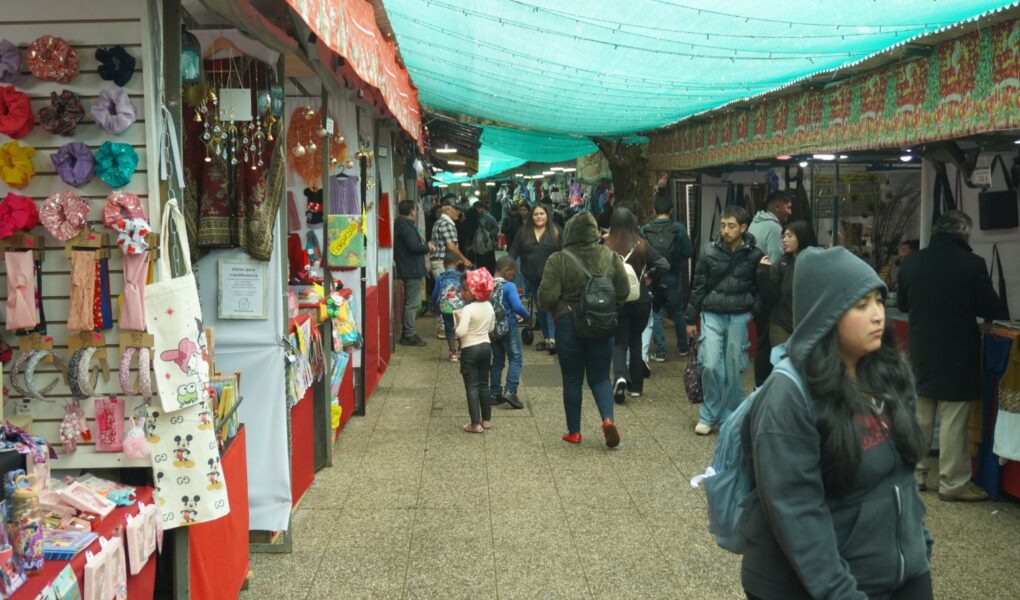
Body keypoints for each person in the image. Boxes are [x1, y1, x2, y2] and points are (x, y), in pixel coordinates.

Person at [742, 246, 932, 600]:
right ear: (825, 315)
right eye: (861, 305)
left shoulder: (890, 373)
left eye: (879, 301)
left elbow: (902, 478)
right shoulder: (789, 396)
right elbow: (798, 511)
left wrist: (918, 544)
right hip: (818, 584)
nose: (878, 315)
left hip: (901, 574)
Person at [898, 210, 1005, 502]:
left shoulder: (911, 262)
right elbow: (992, 308)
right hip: (958, 353)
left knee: (920, 416)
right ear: (963, 233)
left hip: (921, 349)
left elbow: (903, 305)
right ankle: (952, 483)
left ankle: (914, 476)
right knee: (954, 420)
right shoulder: (972, 264)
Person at [538, 212, 630, 448]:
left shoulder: (558, 259)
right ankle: (608, 419)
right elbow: (623, 291)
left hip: (569, 324)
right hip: (602, 324)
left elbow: (545, 298)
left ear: (569, 233)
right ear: (594, 232)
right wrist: (608, 310)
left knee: (572, 379)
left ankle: (575, 432)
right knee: (600, 377)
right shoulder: (609, 256)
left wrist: (560, 310)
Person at [685, 205, 763, 435]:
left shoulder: (755, 255)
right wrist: (690, 319)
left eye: (731, 226)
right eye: (722, 225)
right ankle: (708, 415)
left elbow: (760, 288)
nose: (726, 230)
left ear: (743, 228)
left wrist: (753, 310)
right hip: (711, 313)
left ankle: (731, 415)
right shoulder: (708, 251)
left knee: (734, 366)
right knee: (709, 364)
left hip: (739, 315)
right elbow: (698, 286)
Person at [606, 206, 669, 402]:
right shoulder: (642, 245)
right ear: (633, 223)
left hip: (616, 300)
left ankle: (619, 377)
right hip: (640, 299)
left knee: (619, 342)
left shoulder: (606, 245)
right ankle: (637, 387)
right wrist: (648, 276)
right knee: (635, 341)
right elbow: (664, 264)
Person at [641, 193, 694, 360]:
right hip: (673, 275)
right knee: (677, 312)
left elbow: (641, 254)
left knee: (656, 312)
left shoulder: (645, 229)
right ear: (671, 210)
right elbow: (688, 251)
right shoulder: (679, 228)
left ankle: (661, 352)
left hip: (652, 276)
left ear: (654, 210)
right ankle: (683, 347)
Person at [748, 191, 792, 387]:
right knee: (766, 342)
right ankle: (763, 385)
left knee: (762, 340)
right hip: (767, 291)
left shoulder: (756, 222)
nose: (789, 212)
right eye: (787, 208)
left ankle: (760, 385)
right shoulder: (774, 228)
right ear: (777, 207)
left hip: (755, 288)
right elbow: (776, 262)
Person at [509, 203, 561, 354]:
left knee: (550, 308)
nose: (539, 217)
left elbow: (566, 251)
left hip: (553, 277)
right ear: (532, 216)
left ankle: (553, 339)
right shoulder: (523, 232)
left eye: (542, 214)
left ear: (547, 215)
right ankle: (548, 339)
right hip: (532, 278)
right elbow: (513, 252)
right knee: (541, 309)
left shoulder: (556, 231)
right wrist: (505, 271)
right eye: (536, 214)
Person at [756, 220, 816, 347]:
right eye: (783, 236)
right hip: (782, 323)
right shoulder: (781, 263)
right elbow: (771, 296)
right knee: (781, 358)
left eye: (790, 236)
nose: (784, 240)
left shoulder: (816, 262)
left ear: (802, 237)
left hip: (810, 324)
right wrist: (763, 273)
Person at [454, 269, 496, 433]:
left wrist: (457, 323)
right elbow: (491, 328)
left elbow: (461, 332)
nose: (462, 293)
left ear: (474, 292)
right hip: (486, 347)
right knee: (484, 384)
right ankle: (486, 420)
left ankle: (475, 424)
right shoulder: (489, 306)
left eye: (465, 290)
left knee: (471, 387)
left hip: (470, 349)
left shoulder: (468, 309)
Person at [489, 256, 529, 410]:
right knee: (516, 357)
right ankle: (510, 391)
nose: (514, 275)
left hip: (492, 328)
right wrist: (526, 316)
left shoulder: (488, 284)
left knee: (497, 360)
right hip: (508, 326)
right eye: (513, 272)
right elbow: (517, 306)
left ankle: (494, 393)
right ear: (506, 271)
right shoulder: (509, 286)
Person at [394, 200, 436, 346]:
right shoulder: (406, 226)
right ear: (412, 211)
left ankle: (408, 333)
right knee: (411, 304)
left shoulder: (400, 224)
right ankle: (409, 335)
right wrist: (427, 247)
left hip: (409, 268)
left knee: (410, 303)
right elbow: (414, 247)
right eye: (415, 210)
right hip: (411, 269)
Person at [430, 201, 471, 338]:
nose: (458, 212)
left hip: (440, 261)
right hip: (443, 262)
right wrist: (464, 259)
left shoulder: (440, 222)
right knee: (447, 294)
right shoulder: (446, 223)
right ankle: (444, 327)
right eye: (456, 209)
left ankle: (447, 326)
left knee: (446, 293)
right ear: (447, 209)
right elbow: (451, 246)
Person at [431, 253, 465, 362]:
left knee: (449, 329)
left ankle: (453, 353)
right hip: (460, 308)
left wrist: (437, 308)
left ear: (443, 264)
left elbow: (435, 295)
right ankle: (462, 350)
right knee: (461, 328)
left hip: (446, 308)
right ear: (457, 263)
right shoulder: (462, 276)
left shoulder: (440, 277)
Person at [468, 200, 499, 274]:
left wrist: (489, 234)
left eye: (480, 208)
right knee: (480, 264)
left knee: (490, 263)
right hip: (477, 246)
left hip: (488, 244)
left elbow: (496, 228)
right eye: (477, 208)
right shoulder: (472, 218)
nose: (479, 210)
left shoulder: (489, 218)